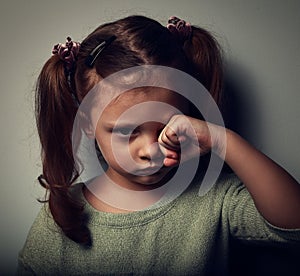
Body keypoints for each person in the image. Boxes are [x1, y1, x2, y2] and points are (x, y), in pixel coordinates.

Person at [17, 15, 300, 275]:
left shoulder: (214, 197)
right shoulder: (63, 214)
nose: (151, 150)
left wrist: (222, 139)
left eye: (166, 125)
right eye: (127, 131)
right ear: (87, 123)